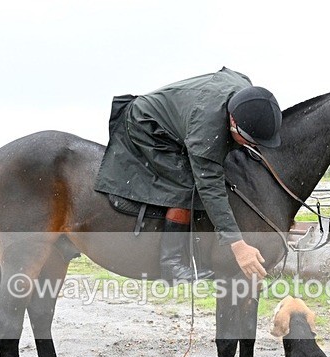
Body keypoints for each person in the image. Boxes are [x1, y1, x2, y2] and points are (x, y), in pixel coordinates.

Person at [94, 67, 282, 282]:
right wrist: (238, 246)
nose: (251, 146)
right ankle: (172, 263)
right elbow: (209, 186)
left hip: (183, 119)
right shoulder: (207, 132)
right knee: (187, 186)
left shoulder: (245, 94)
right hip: (145, 126)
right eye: (249, 140)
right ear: (233, 123)